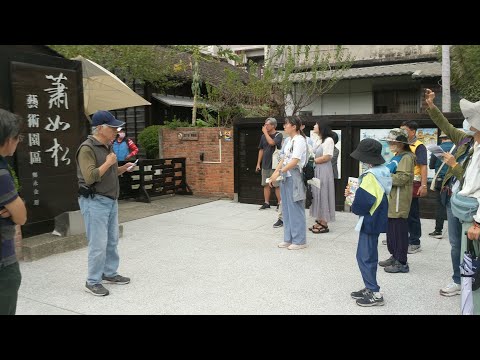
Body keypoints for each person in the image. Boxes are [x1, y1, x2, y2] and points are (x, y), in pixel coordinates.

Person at [76, 110, 136, 296]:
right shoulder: (87, 148)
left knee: (112, 240)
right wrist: (109, 164)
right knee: (98, 243)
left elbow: (107, 173)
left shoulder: (106, 146)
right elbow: (90, 177)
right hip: (95, 201)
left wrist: (121, 168)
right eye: (112, 128)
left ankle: (109, 273)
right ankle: (92, 280)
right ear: (100, 128)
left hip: (110, 200)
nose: (116, 131)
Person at [424, 89, 476, 297]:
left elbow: (472, 181)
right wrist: (432, 107)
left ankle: (471, 280)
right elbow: (445, 125)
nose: (467, 123)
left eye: (471, 120)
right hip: (453, 199)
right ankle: (458, 280)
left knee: (469, 245)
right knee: (456, 243)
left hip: (470, 204)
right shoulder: (465, 140)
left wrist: (453, 165)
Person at [347, 138, 391, 307]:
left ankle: (374, 292)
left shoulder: (370, 176)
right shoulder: (383, 170)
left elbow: (363, 201)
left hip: (370, 218)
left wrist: (353, 201)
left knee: (364, 256)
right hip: (378, 215)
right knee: (370, 253)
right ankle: (369, 286)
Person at [0, 109, 27, 315]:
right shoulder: (1, 173)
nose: (19, 142)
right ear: (8, 139)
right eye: (18, 137)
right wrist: (15, 205)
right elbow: (20, 216)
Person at [378, 129, 415, 273]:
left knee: (399, 230)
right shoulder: (398, 155)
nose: (389, 144)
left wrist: (383, 178)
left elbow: (402, 178)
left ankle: (402, 261)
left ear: (400, 143)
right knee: (392, 229)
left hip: (400, 198)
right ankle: (394, 255)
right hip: (393, 198)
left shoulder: (406, 157)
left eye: (391, 142)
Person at [268, 116, 307, 250]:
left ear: (294, 126)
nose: (284, 126)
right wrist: (274, 174)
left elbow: (294, 161)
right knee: (286, 209)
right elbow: (283, 158)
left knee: (296, 208)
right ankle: (288, 238)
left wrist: (279, 173)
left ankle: (299, 240)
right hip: (285, 175)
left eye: (286, 124)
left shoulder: (300, 140)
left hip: (294, 176)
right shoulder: (288, 140)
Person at [400, 120, 428, 254]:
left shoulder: (419, 146)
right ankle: (401, 237)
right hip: (401, 182)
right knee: (401, 212)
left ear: (412, 131)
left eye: (404, 130)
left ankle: (415, 242)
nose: (402, 133)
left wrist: (424, 185)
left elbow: (423, 166)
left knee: (412, 213)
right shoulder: (402, 145)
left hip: (413, 183)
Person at [309, 121, 336, 234]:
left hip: (324, 169)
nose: (314, 126)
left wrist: (312, 161)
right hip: (317, 169)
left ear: (321, 127)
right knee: (317, 193)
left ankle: (324, 223)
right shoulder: (319, 140)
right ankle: (320, 219)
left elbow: (327, 157)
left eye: (316, 124)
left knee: (324, 193)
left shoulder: (329, 140)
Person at [428, 132, 453, 239]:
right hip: (454, 181)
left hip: (440, 182)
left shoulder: (437, 149)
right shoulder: (457, 148)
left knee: (440, 205)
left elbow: (431, 165)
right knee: (452, 205)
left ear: (442, 139)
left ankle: (438, 230)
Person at [256, 117, 283, 210]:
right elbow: (261, 149)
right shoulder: (263, 136)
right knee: (265, 184)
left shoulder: (278, 135)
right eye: (265, 124)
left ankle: (280, 203)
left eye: (267, 124)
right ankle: (266, 203)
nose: (265, 126)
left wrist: (265, 133)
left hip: (275, 165)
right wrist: (258, 163)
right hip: (265, 164)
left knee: (276, 185)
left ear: (273, 125)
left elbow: (271, 143)